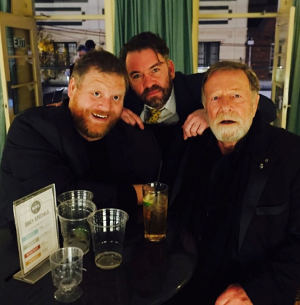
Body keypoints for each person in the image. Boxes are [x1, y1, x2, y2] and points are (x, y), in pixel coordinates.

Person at [170, 61, 300, 304]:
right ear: (205, 108)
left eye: (236, 96)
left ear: (254, 105)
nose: (225, 107)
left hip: (251, 289)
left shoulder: (291, 154)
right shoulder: (191, 148)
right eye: (216, 98)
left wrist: (256, 291)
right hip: (185, 284)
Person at [0, 50, 161, 227]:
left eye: (116, 97)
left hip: (114, 245)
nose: (106, 107)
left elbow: (152, 185)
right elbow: (60, 198)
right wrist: (139, 194)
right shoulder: (31, 129)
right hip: (33, 249)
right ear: (72, 88)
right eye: (96, 94)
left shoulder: (127, 134)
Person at [119, 32, 276, 203]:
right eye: (136, 76)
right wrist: (113, 111)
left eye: (155, 70)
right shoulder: (123, 101)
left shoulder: (201, 86)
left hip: (194, 199)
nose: (148, 83)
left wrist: (212, 111)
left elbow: (268, 108)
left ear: (170, 70)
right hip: (144, 204)